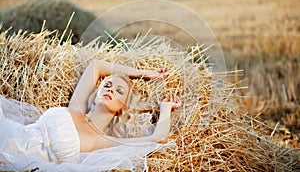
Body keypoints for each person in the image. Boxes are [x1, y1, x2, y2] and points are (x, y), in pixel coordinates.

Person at [0, 59, 181, 168]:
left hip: (15, 161)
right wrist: (143, 73)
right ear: (95, 95)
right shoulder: (76, 108)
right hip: (8, 132)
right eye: (107, 85)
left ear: (121, 110)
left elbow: (158, 137)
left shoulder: (103, 141)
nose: (110, 90)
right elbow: (96, 66)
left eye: (119, 91)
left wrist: (166, 107)